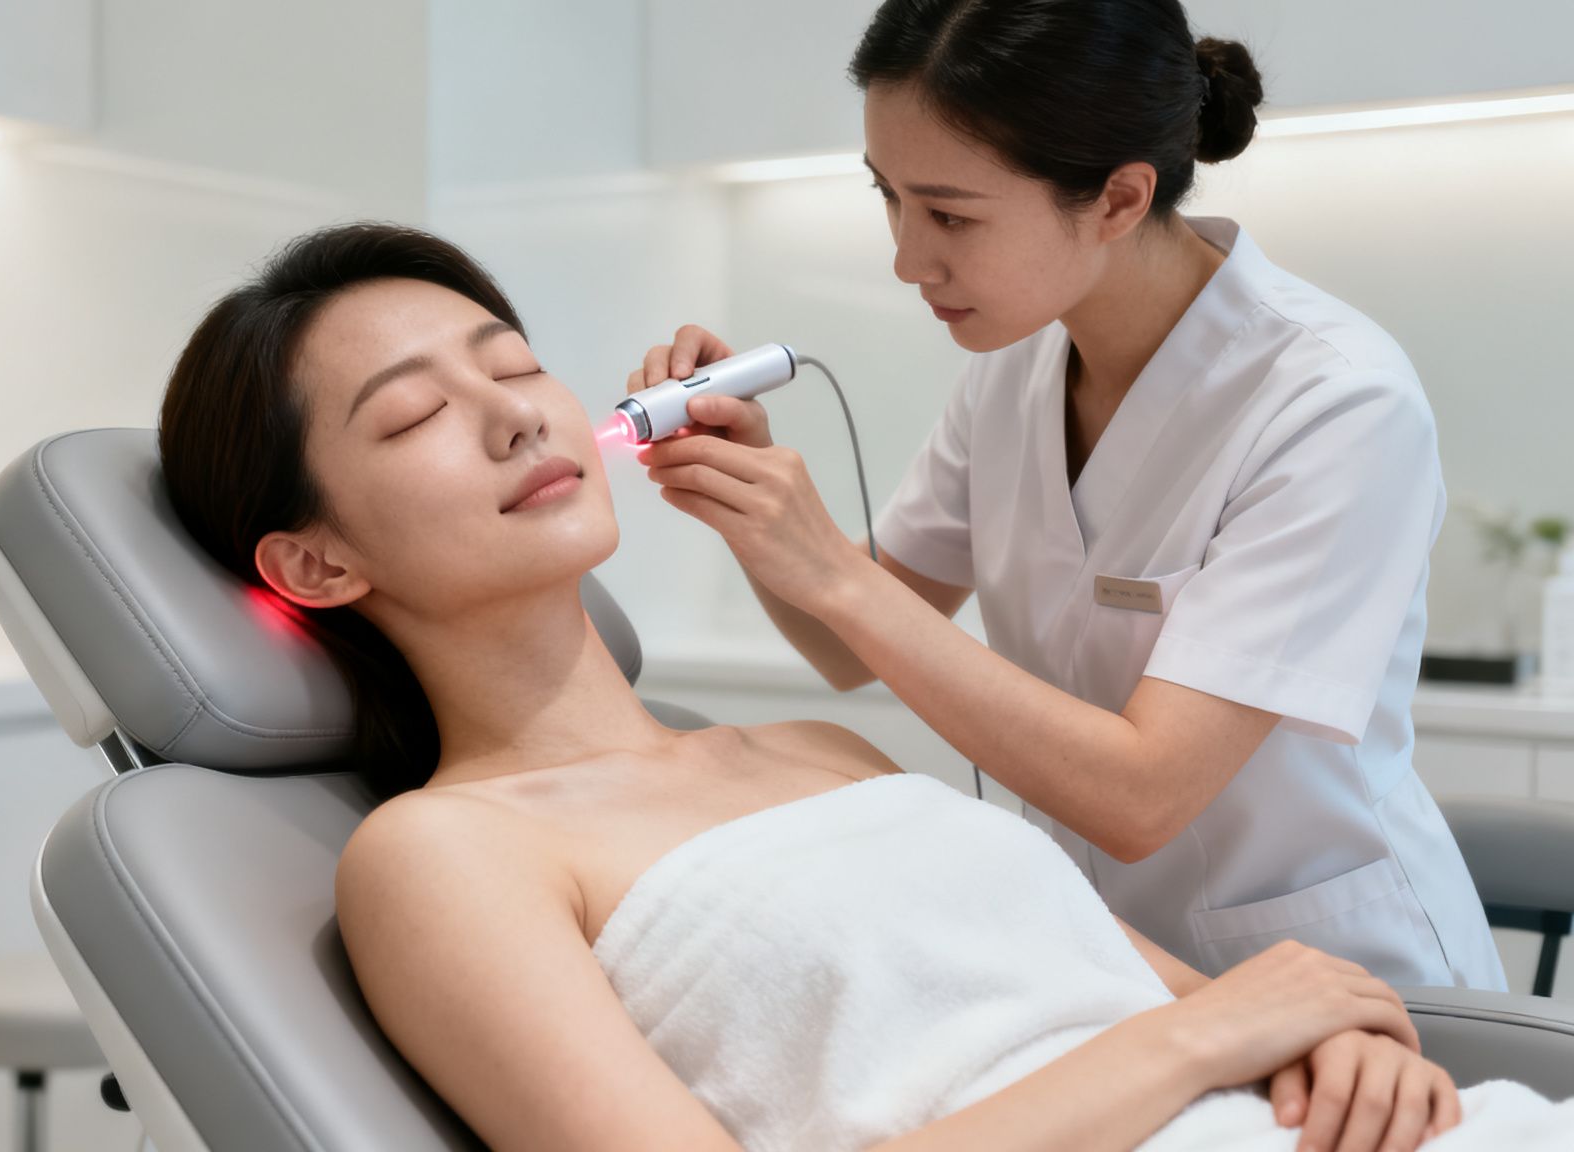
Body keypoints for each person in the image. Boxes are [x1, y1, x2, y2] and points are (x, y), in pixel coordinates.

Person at [156, 222, 1568, 1152]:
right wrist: (1221, 1033)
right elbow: (1202, 1022)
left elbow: (1216, 1007)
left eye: (514, 363)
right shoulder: (443, 853)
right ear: (316, 562)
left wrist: (1346, 1046)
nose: (519, 410)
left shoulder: (820, 752)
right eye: (412, 415)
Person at [627, 0, 1503, 992]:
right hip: (1115, 976)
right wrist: (743, 491)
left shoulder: (1331, 400)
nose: (906, 259)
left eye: (949, 214)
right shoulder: (1012, 373)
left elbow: (1141, 796)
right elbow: (843, 643)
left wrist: (832, 571)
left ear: (1119, 200)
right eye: (890, 198)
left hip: (1345, 985)